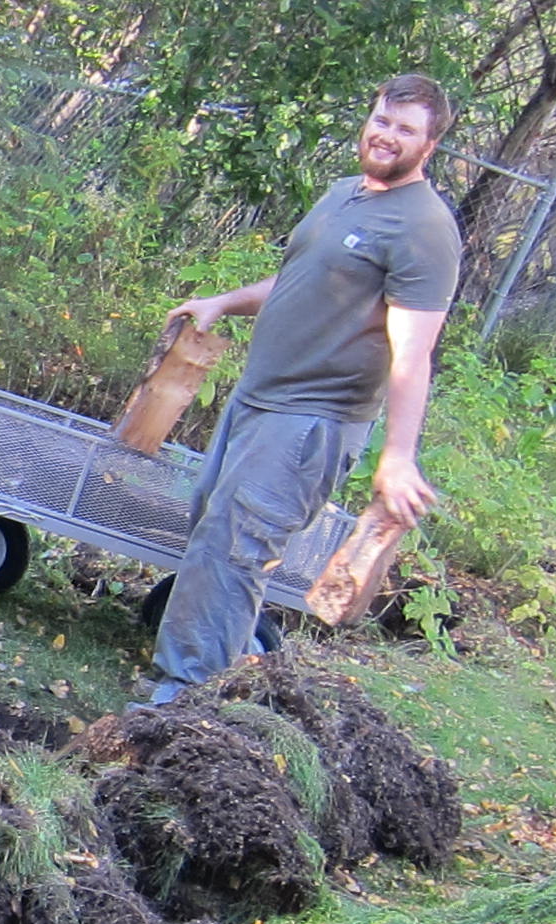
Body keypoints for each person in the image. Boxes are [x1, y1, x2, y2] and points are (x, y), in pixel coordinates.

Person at [141, 74, 463, 704]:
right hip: (258, 400)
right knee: (213, 534)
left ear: (429, 146)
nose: (386, 135)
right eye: (382, 120)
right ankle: (215, 690)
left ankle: (182, 706)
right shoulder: (346, 195)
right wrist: (223, 301)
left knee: (233, 549)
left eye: (405, 130)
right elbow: (298, 281)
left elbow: (413, 351)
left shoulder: (424, 228)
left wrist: (398, 456)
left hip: (312, 419)